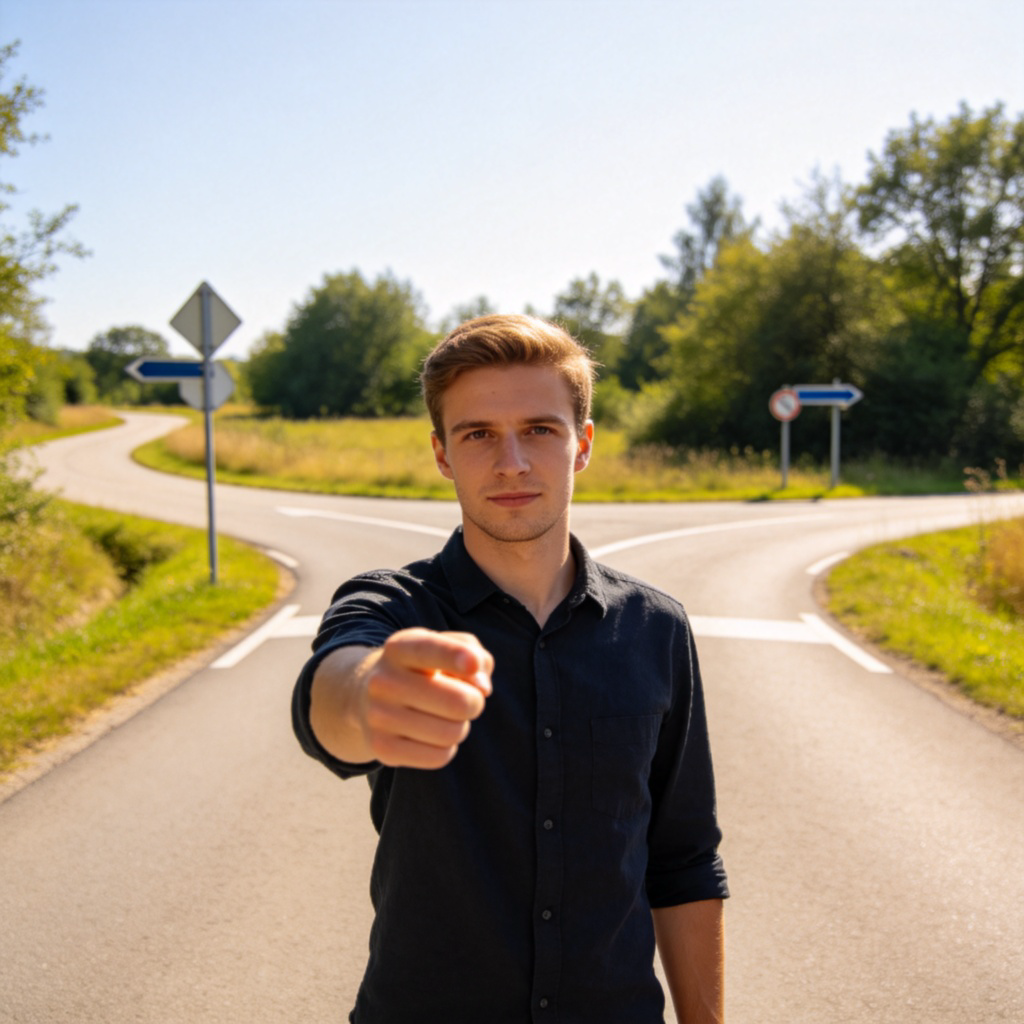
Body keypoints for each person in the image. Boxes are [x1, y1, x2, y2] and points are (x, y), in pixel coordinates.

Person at [292, 314, 728, 1023]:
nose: (513, 462)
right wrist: (368, 697)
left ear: (581, 444)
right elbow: (333, 698)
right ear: (441, 453)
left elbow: (682, 859)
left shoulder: (657, 628)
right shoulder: (396, 606)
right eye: (478, 435)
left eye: (539, 430)